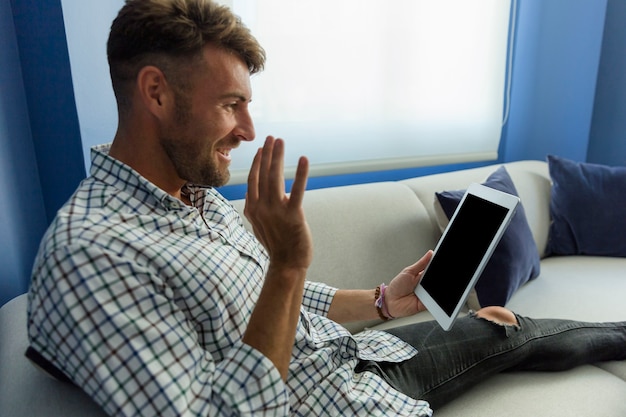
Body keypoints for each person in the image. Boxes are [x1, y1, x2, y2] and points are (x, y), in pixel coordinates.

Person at [26, 1, 626, 416]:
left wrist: (383, 300)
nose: (248, 129)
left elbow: (257, 294)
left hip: (353, 359)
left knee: (505, 327)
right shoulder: (91, 253)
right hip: (335, 402)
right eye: (231, 104)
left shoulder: (193, 196)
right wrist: (287, 263)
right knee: (506, 337)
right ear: (155, 92)